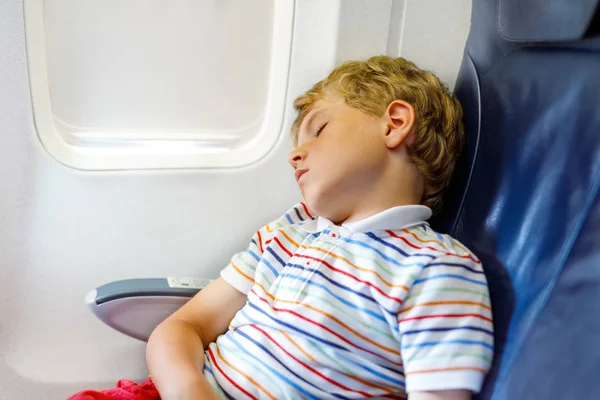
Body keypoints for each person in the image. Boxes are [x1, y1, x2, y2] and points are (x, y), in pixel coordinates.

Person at [74, 56, 494, 400]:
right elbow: (183, 327)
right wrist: (189, 388)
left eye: (318, 130)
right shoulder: (289, 232)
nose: (296, 157)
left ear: (394, 123)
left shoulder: (436, 268)